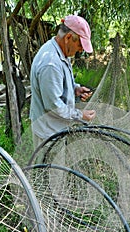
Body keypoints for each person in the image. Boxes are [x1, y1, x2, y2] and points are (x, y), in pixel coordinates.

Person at [29, 14, 96, 149]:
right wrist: (80, 115)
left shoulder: (61, 52)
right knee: (52, 170)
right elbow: (54, 106)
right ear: (68, 38)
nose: (81, 50)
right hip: (48, 134)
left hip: (57, 129)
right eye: (80, 45)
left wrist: (75, 89)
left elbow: (59, 84)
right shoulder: (50, 63)